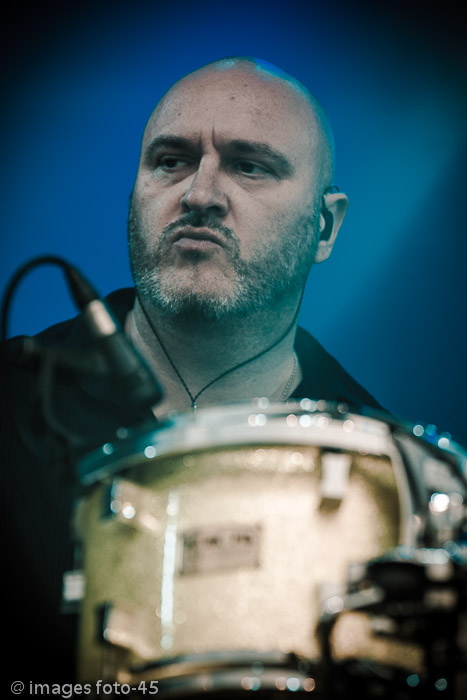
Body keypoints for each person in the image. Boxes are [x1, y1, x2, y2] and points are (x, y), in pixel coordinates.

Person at [2, 57, 383, 686]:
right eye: (172, 161)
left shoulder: (384, 473)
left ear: (325, 227)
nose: (200, 194)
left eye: (249, 166)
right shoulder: (12, 393)